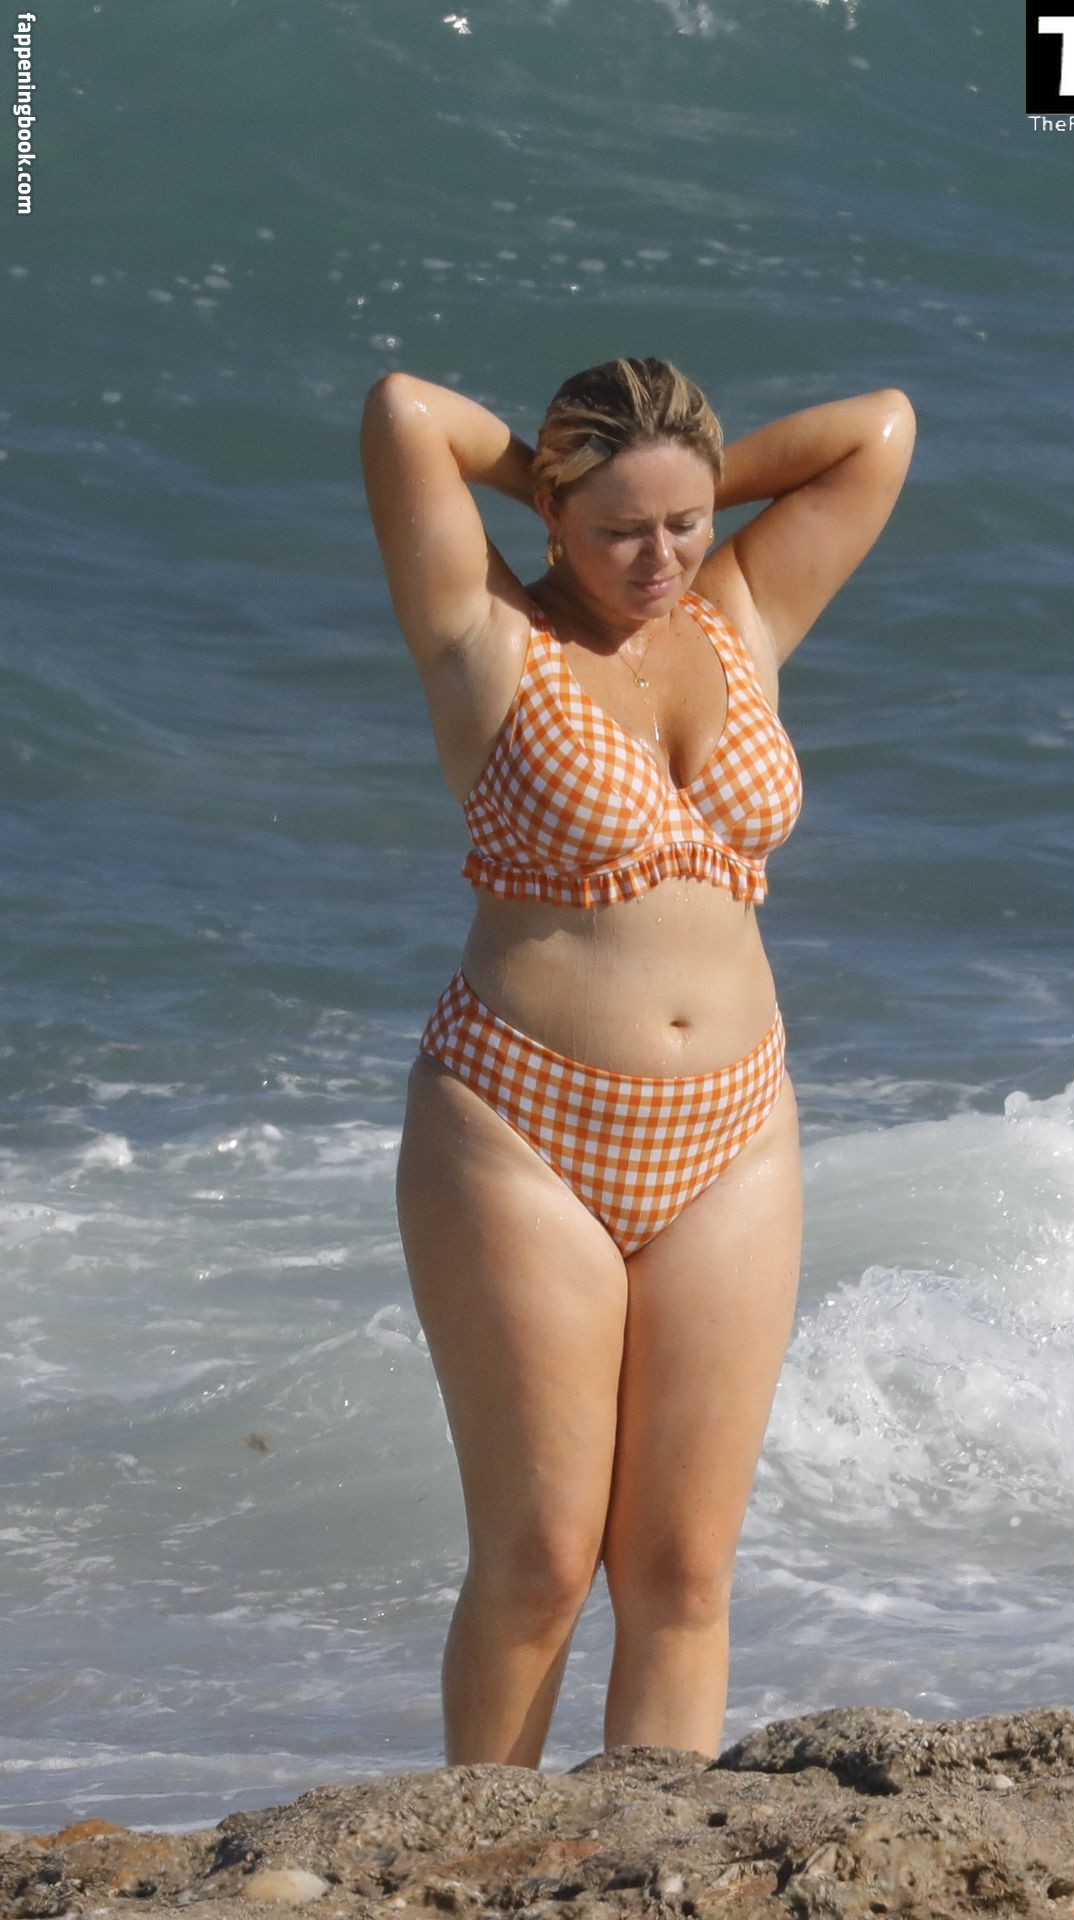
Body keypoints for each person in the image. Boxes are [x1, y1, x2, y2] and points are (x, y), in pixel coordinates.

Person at [359, 356, 915, 1768]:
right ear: (552, 519)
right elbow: (405, 412)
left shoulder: (739, 609)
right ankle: (474, 1852)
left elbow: (879, 431)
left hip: (735, 1129)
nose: (659, 558)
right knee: (544, 1557)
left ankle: (652, 1863)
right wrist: (548, 473)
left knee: (681, 1568)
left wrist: (679, 479)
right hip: (519, 1124)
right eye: (617, 530)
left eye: (683, 521)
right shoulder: (485, 632)